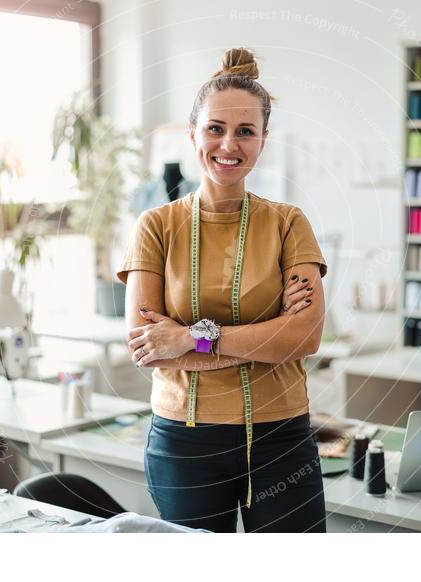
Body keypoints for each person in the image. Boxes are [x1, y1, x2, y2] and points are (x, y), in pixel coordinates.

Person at [117, 47, 327, 533]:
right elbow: (149, 349)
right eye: (215, 128)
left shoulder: (289, 224)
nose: (229, 144)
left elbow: (305, 339)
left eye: (245, 131)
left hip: (281, 438)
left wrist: (193, 338)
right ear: (193, 134)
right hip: (184, 443)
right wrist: (266, 339)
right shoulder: (155, 227)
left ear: (262, 140)